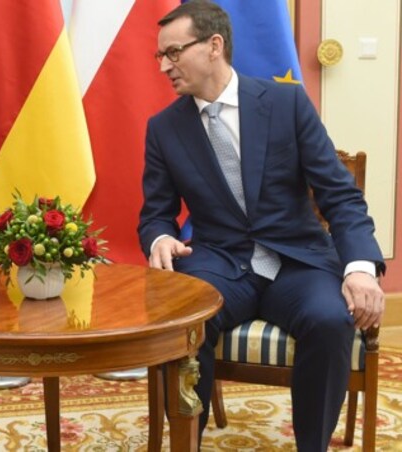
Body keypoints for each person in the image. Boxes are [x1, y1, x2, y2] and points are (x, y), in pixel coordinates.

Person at [138, 1, 385, 450]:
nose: (164, 66)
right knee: (184, 322)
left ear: (214, 46)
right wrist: (159, 237)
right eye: (161, 56)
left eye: (173, 53)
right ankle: (185, 441)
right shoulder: (164, 129)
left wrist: (361, 267)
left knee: (330, 320)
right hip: (220, 265)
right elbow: (156, 212)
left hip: (297, 263)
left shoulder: (286, 104)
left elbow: (339, 194)